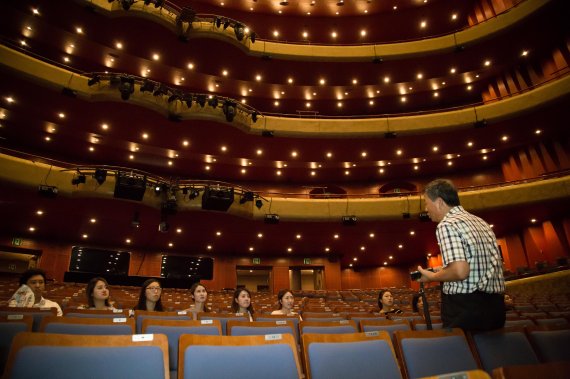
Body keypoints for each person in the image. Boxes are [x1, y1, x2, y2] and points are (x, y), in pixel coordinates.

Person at [416, 179, 505, 331]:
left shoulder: (447, 224)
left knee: (464, 353)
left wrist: (431, 278)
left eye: (426, 203)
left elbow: (459, 271)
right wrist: (440, 270)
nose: (426, 208)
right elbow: (476, 263)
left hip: (466, 309)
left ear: (439, 202)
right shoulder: (480, 221)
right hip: (495, 306)